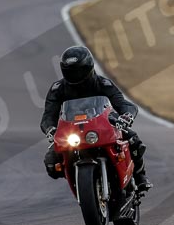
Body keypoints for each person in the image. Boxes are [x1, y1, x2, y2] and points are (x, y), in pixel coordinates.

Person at [40, 45, 152, 192]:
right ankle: (78, 179)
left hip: (102, 124)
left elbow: (123, 103)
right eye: (72, 71)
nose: (76, 75)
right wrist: (50, 129)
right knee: (51, 163)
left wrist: (126, 116)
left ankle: (140, 176)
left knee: (133, 140)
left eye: (79, 70)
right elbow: (48, 115)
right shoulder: (57, 89)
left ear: (89, 67)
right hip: (72, 131)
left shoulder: (102, 83)